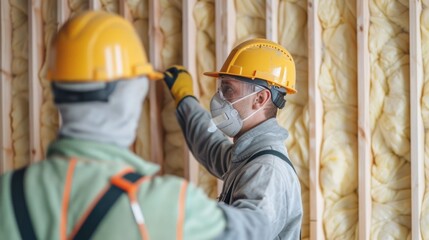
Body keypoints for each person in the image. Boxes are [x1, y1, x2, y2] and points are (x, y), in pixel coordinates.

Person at [0, 11, 269, 240]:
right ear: (131, 95)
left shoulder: (6, 193)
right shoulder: (169, 206)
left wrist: (187, 101)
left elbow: (216, 152)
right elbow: (257, 228)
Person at [163, 38, 303, 239]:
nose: (218, 98)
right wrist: (185, 98)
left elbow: (242, 234)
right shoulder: (248, 157)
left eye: (228, 89)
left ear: (260, 99)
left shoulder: (266, 170)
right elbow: (210, 145)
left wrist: (181, 212)